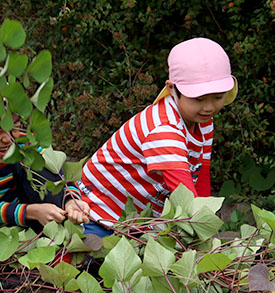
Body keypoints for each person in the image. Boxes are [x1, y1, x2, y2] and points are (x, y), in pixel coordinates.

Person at [78, 37, 238, 237]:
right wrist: (203, 235)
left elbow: (201, 173)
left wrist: (206, 222)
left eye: (218, 97)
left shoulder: (202, 120)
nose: (209, 107)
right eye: (198, 99)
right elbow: (185, 196)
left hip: (140, 212)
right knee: (91, 259)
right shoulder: (163, 130)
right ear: (172, 88)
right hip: (102, 207)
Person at [0, 74, 90, 231]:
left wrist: (71, 200)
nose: (7, 138)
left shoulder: (25, 141)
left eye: (14, 126)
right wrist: (31, 212)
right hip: (17, 230)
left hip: (56, 214)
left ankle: (68, 223)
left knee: (35, 160)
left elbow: (60, 176)